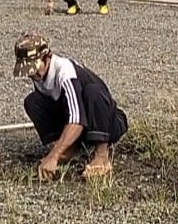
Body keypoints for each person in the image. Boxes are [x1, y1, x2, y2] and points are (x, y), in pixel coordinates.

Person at [13, 31, 128, 181]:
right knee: (33, 101)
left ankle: (101, 155)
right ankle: (70, 150)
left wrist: (53, 156)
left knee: (92, 92)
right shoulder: (39, 75)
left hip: (106, 122)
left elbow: (77, 119)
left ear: (47, 58)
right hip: (82, 121)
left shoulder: (65, 72)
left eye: (33, 68)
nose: (31, 75)